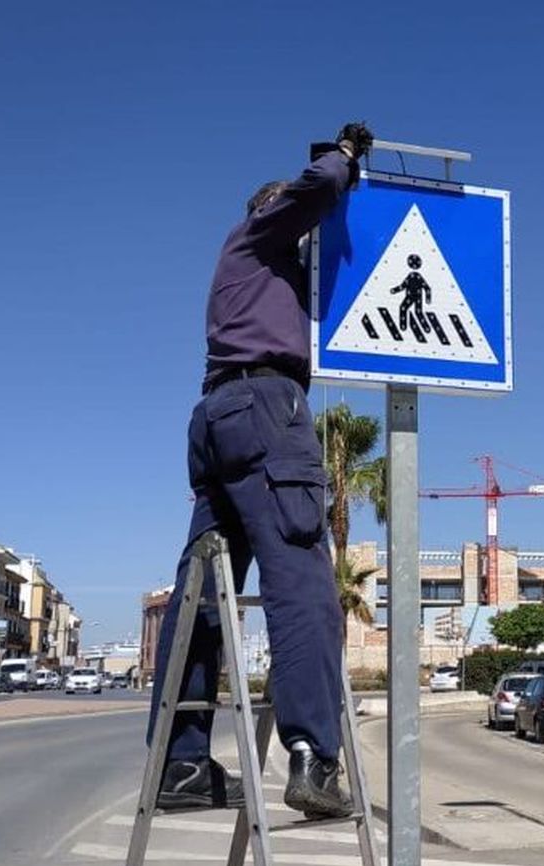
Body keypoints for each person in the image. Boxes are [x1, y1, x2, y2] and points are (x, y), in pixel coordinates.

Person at [147, 122, 374, 819]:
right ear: (270, 213)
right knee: (302, 583)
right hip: (268, 407)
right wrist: (346, 156)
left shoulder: (248, 275)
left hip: (218, 416)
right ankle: (313, 757)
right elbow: (322, 187)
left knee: (202, 599)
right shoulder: (258, 236)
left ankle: (178, 763)